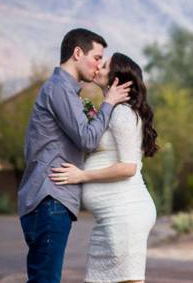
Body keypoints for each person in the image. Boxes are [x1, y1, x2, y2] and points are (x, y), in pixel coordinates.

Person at [18, 28, 132, 283]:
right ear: (77, 53)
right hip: (50, 198)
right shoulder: (59, 88)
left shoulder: (64, 91)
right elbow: (88, 139)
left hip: (48, 200)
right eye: (97, 58)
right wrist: (110, 102)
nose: (99, 66)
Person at [50, 52, 159, 283]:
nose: (98, 67)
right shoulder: (110, 111)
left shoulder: (122, 113)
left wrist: (82, 176)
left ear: (116, 78)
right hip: (112, 218)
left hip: (124, 215)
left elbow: (128, 167)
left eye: (105, 65)